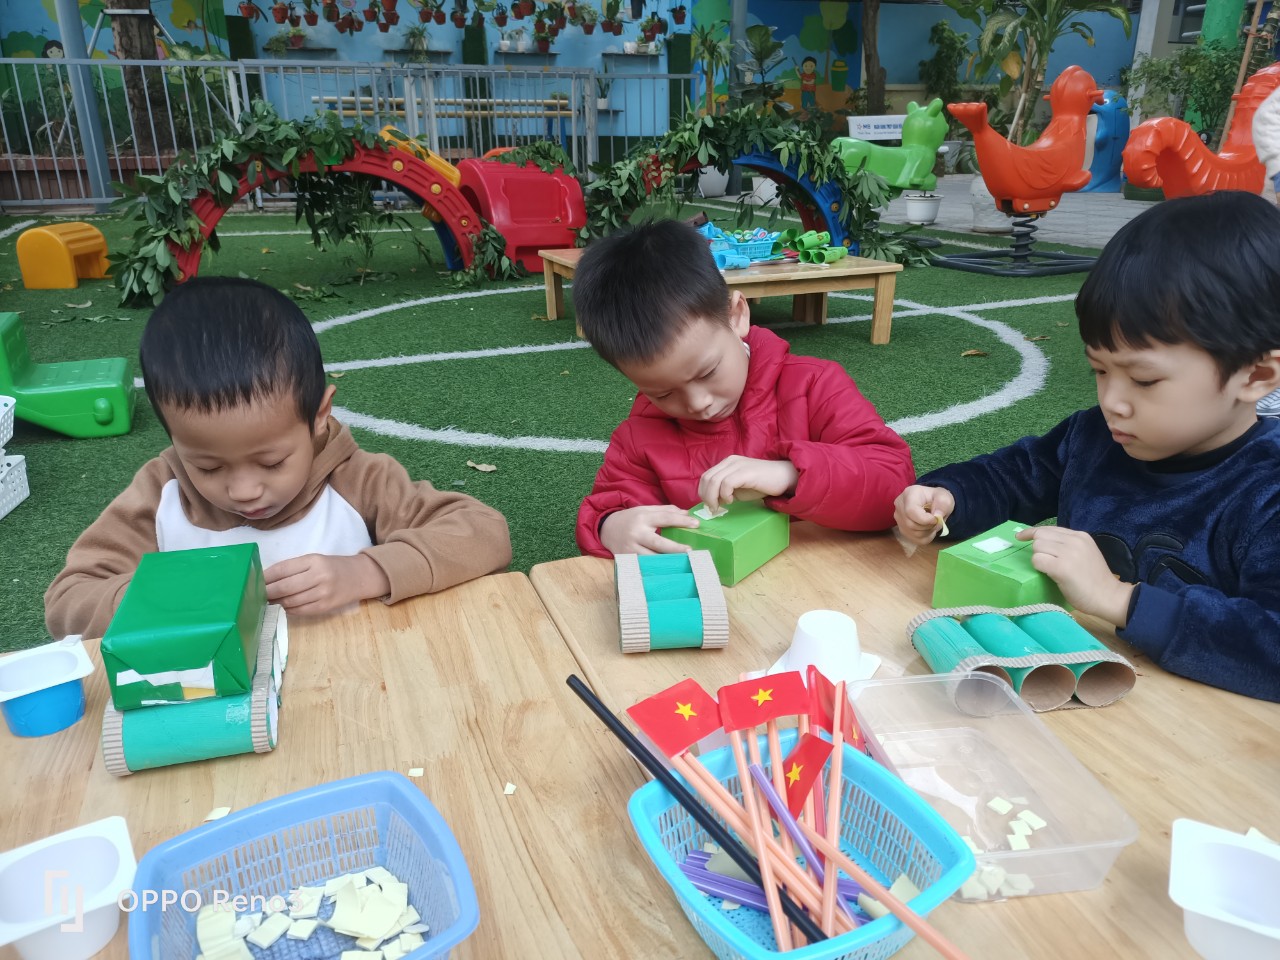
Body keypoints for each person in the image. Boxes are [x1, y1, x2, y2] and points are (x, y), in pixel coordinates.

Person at [894, 191, 1280, 701]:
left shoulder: (1267, 489)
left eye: (1143, 380)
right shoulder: (1096, 438)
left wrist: (1117, 598)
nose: (1112, 401)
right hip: (1061, 692)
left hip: (1188, 733)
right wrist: (948, 497)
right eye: (1099, 370)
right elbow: (1012, 476)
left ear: (1255, 376)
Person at [45, 277, 512, 639]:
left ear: (318, 418)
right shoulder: (160, 493)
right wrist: (166, 597)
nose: (244, 491)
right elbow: (67, 602)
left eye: (271, 462)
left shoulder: (357, 480)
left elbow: (484, 533)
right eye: (208, 466)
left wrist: (366, 571)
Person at [573, 219, 914, 558]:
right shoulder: (638, 438)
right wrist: (609, 526)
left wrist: (792, 475)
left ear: (736, 315)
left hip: (825, 579)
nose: (698, 403)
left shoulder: (815, 386)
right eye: (663, 393)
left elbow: (895, 488)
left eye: (708, 372)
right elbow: (609, 506)